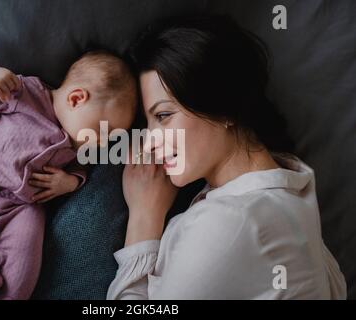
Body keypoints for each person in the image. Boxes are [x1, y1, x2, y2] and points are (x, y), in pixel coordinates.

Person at [107, 16, 347, 299]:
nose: (149, 141)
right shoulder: (293, 193)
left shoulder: (233, 222)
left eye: (163, 116)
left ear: (224, 108)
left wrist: (145, 216)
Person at [0, 51, 137, 299]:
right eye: (103, 132)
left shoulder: (79, 147)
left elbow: (80, 171)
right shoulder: (24, 93)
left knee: (27, 246)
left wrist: (69, 183)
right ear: (77, 99)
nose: (101, 144)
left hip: (16, 206)